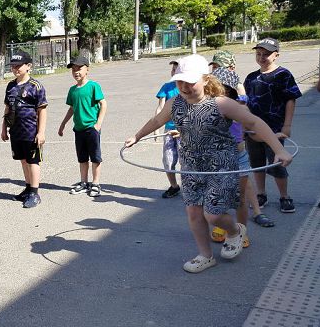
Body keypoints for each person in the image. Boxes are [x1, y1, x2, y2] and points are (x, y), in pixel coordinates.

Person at [124, 55, 293, 273]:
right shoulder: (175, 103)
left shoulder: (221, 103)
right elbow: (157, 120)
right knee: (194, 213)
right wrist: (137, 136)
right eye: (180, 81)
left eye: (190, 82)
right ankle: (205, 255)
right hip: (191, 166)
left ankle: (235, 231)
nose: (184, 87)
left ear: (205, 79)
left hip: (221, 165)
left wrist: (279, 149)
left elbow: (254, 122)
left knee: (213, 214)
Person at [209, 67, 274, 248]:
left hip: (238, 157)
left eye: (224, 89)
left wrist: (272, 139)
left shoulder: (240, 107)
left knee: (240, 198)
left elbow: (254, 128)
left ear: (231, 90)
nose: (219, 93)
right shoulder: (208, 108)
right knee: (219, 195)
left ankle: (241, 230)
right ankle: (223, 226)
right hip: (217, 159)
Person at [243, 38, 302, 214]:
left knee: (277, 163)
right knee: (257, 163)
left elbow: (290, 100)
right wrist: (244, 125)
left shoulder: (283, 74)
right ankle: (261, 193)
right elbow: (244, 103)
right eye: (258, 54)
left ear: (276, 55)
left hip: (274, 130)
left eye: (266, 54)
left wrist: (287, 125)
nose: (262, 57)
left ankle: (284, 196)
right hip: (253, 131)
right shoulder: (251, 77)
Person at [1, 51, 47, 209]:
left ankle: (34, 192)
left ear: (28, 66)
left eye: (18, 66)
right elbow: (7, 108)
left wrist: (41, 132)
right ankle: (28, 188)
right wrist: (3, 128)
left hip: (31, 131)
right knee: (23, 160)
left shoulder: (36, 86)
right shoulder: (10, 86)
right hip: (16, 131)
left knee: (33, 161)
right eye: (13, 66)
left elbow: (42, 110)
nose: (15, 69)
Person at [58, 55, 107, 197]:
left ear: (87, 70)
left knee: (95, 157)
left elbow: (103, 104)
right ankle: (84, 183)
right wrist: (63, 123)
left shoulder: (93, 86)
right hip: (78, 129)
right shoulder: (72, 90)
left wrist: (98, 124)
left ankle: (96, 183)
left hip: (92, 128)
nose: (76, 72)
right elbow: (72, 108)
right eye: (73, 69)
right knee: (82, 158)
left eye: (79, 68)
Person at [155, 60, 181, 198]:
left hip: (184, 131)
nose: (173, 72)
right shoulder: (167, 87)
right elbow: (160, 107)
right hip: (169, 129)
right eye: (172, 69)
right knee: (168, 159)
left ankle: (191, 187)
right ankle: (174, 186)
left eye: (176, 69)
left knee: (186, 161)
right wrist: (156, 128)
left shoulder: (187, 87)